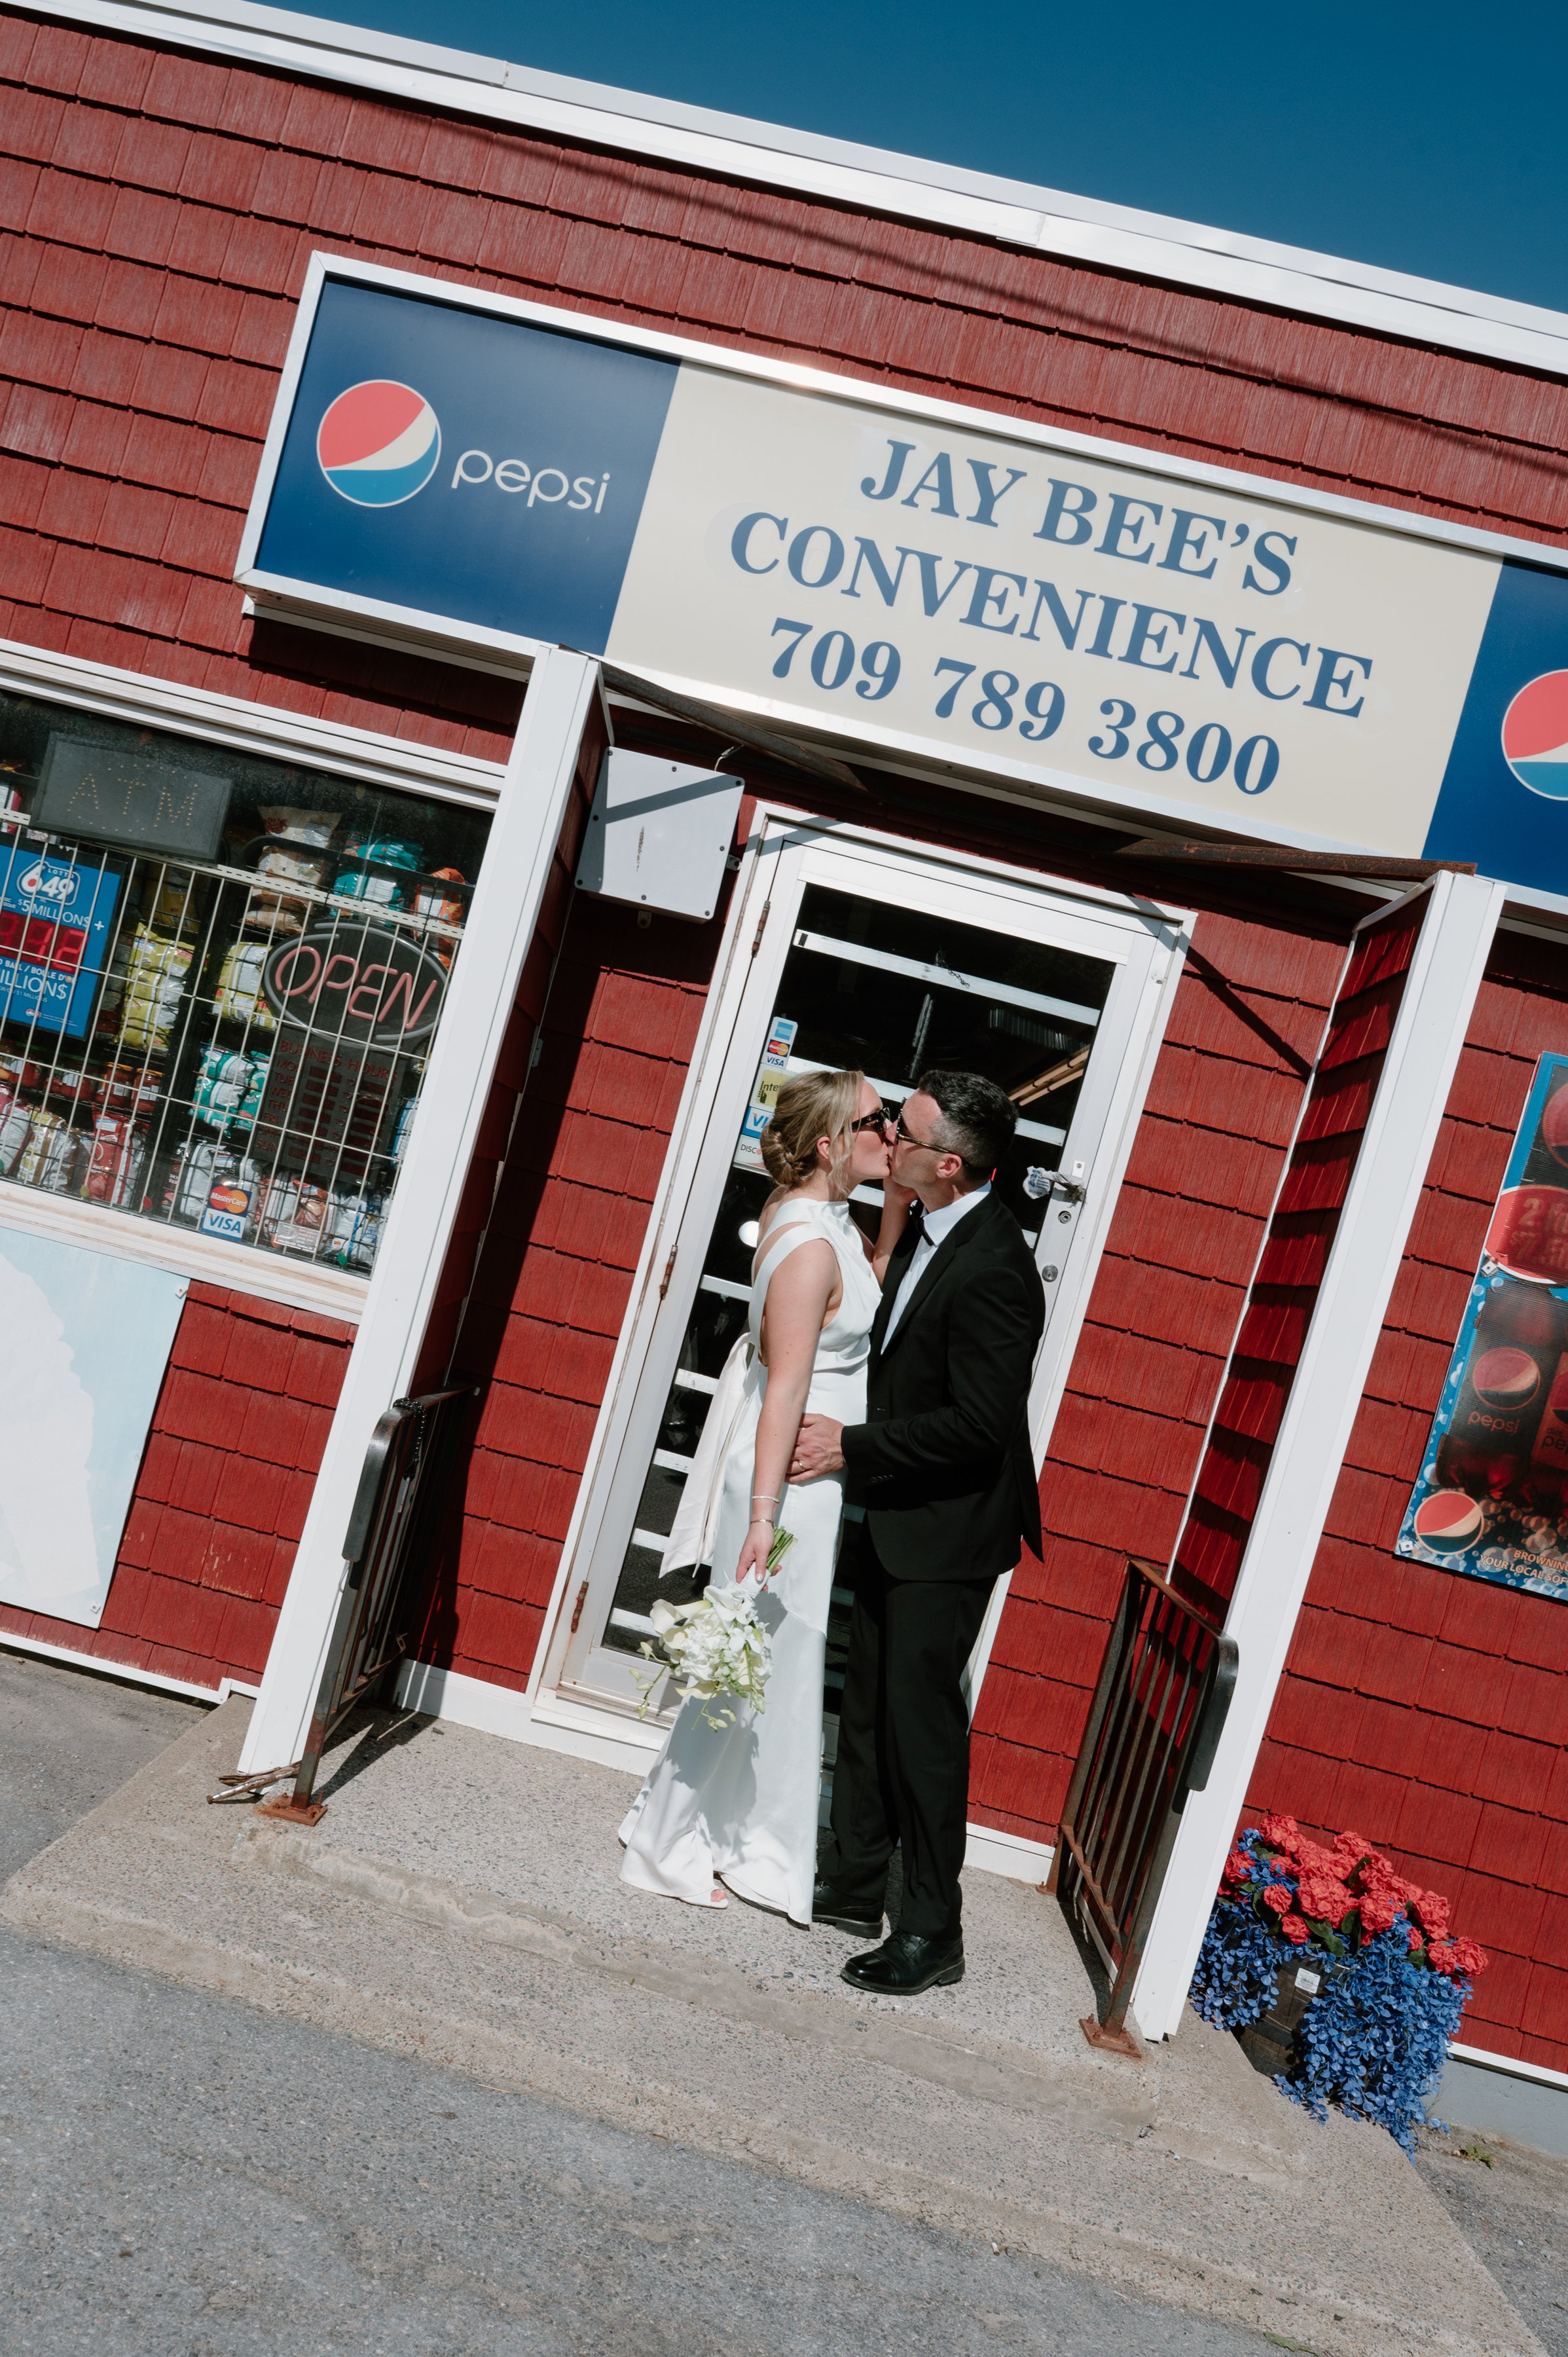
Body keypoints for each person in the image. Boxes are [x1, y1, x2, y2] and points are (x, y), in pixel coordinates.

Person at [618, 1070, 910, 1923]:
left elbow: (859, 1296)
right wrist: (761, 1516)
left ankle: (714, 1829)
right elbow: (786, 1384)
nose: (892, 1132)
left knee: (765, 1663)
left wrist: (894, 1208)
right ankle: (661, 1846)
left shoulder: (821, 1213)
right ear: (830, 1143)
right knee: (736, 1664)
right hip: (787, 1484)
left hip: (805, 1479)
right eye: (877, 1121)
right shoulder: (811, 1242)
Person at [792, 1070, 1046, 1996]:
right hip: (901, 1515)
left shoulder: (997, 1270)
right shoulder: (934, 1225)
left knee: (922, 1732)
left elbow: (981, 1427)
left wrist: (851, 1446)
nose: (888, 1134)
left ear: (949, 1165)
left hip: (950, 1534)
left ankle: (934, 1930)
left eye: (905, 1129)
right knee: (866, 1706)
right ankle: (856, 1882)